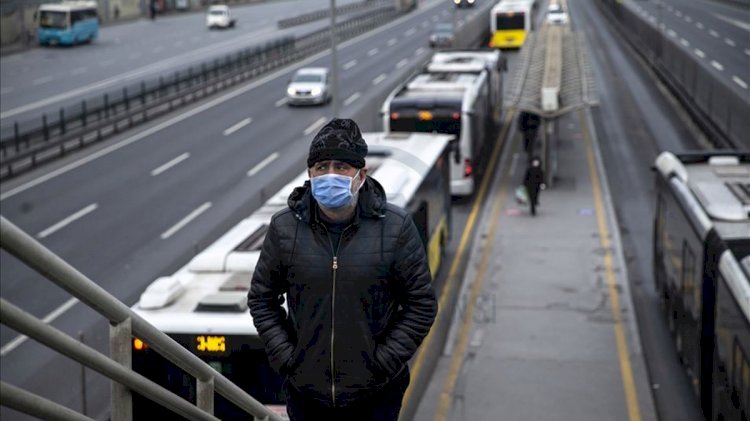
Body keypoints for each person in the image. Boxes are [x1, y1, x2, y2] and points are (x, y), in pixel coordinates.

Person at [248, 118, 438, 421]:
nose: (330, 175)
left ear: (361, 175)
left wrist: (383, 362)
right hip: (307, 396)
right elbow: (262, 299)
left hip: (377, 396)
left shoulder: (396, 227)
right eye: (322, 167)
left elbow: (421, 304)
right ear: (310, 174)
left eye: (341, 167)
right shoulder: (284, 228)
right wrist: (289, 359)